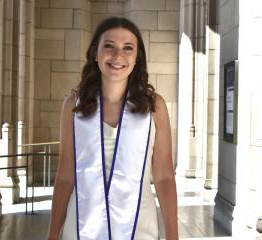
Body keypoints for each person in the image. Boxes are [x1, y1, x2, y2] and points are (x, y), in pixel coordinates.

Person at [47, 17, 178, 240]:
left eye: (128, 48)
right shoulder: (75, 105)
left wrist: (173, 235)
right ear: (95, 53)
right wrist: (52, 234)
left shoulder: (154, 107)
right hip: (81, 226)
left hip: (139, 227)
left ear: (137, 58)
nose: (118, 56)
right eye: (109, 46)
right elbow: (65, 176)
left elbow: (164, 176)